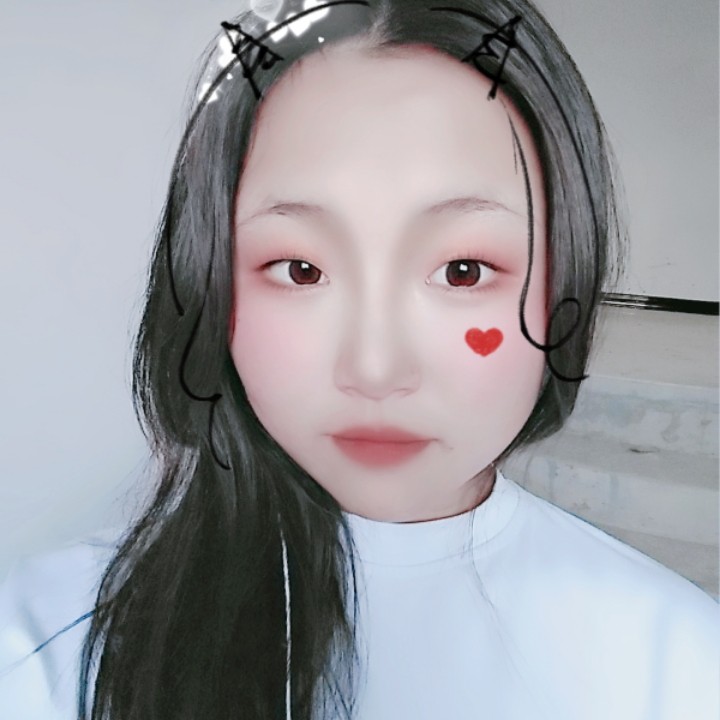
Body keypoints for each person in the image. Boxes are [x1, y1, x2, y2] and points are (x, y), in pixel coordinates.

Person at [0, 0, 718, 718]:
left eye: (463, 271)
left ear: (563, 284)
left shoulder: (680, 666)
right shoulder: (46, 649)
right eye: (301, 271)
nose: (375, 370)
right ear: (208, 280)